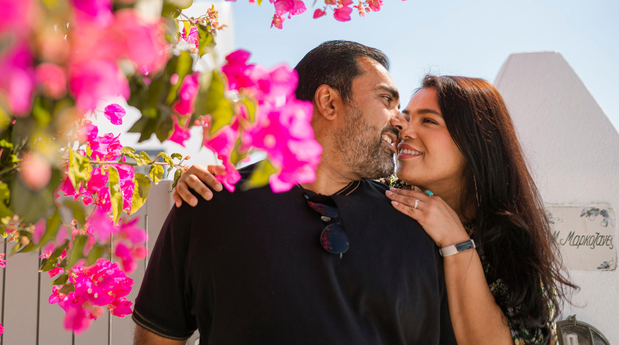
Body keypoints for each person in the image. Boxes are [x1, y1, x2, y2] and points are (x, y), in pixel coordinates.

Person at [176, 75, 575, 345]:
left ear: (476, 142)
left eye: (428, 120)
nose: (404, 128)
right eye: (405, 116)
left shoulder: (512, 241)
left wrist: (456, 242)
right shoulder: (384, 202)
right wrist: (205, 176)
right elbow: (313, 177)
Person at [133, 41, 457, 344]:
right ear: (329, 102)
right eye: (387, 100)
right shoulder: (209, 202)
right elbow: (159, 335)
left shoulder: (416, 226)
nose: (401, 122)